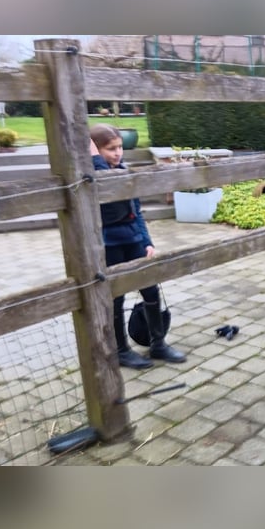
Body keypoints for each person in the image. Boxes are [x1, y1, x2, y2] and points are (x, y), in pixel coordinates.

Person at [90, 123, 187, 368]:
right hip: (110, 244)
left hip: (134, 240)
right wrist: (92, 155)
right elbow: (104, 178)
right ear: (95, 151)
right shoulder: (94, 176)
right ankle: (121, 350)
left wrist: (147, 241)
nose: (117, 153)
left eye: (120, 147)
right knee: (116, 296)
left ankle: (158, 344)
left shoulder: (124, 170)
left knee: (151, 291)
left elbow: (137, 211)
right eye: (110, 149)